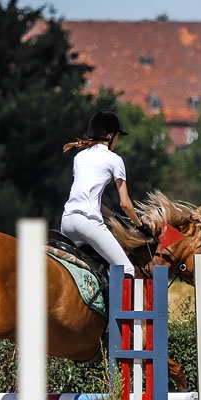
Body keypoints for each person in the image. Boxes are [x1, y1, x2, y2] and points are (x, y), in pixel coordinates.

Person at [60, 109, 153, 277]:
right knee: (127, 269)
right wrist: (140, 226)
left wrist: (115, 218)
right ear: (110, 136)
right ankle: (118, 305)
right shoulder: (115, 160)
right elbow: (125, 204)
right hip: (88, 223)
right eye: (117, 136)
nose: (117, 141)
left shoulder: (79, 157)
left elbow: (91, 200)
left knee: (83, 270)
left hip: (67, 222)